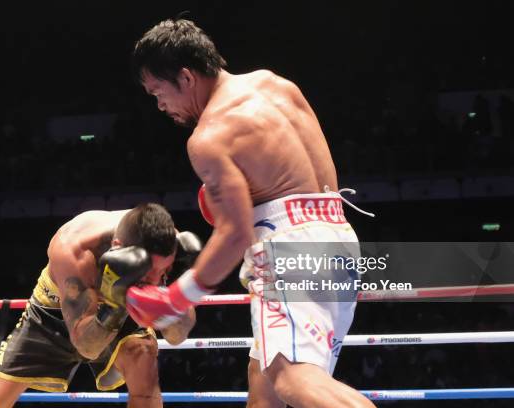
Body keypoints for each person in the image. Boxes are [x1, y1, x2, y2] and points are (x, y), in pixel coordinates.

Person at [126, 19, 376, 408]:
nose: (160, 106)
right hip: (337, 238)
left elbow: (236, 233)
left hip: (288, 248)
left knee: (293, 379)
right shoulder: (277, 85)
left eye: (158, 92)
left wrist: (177, 296)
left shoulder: (210, 136)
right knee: (266, 392)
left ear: (187, 78)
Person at [0, 203, 201, 408]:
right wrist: (115, 304)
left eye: (162, 273)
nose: (154, 282)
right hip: (54, 312)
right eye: (147, 274)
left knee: (142, 355)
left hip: (122, 303)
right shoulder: (73, 249)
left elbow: (177, 337)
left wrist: (171, 302)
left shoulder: (165, 243)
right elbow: (86, 347)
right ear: (117, 248)